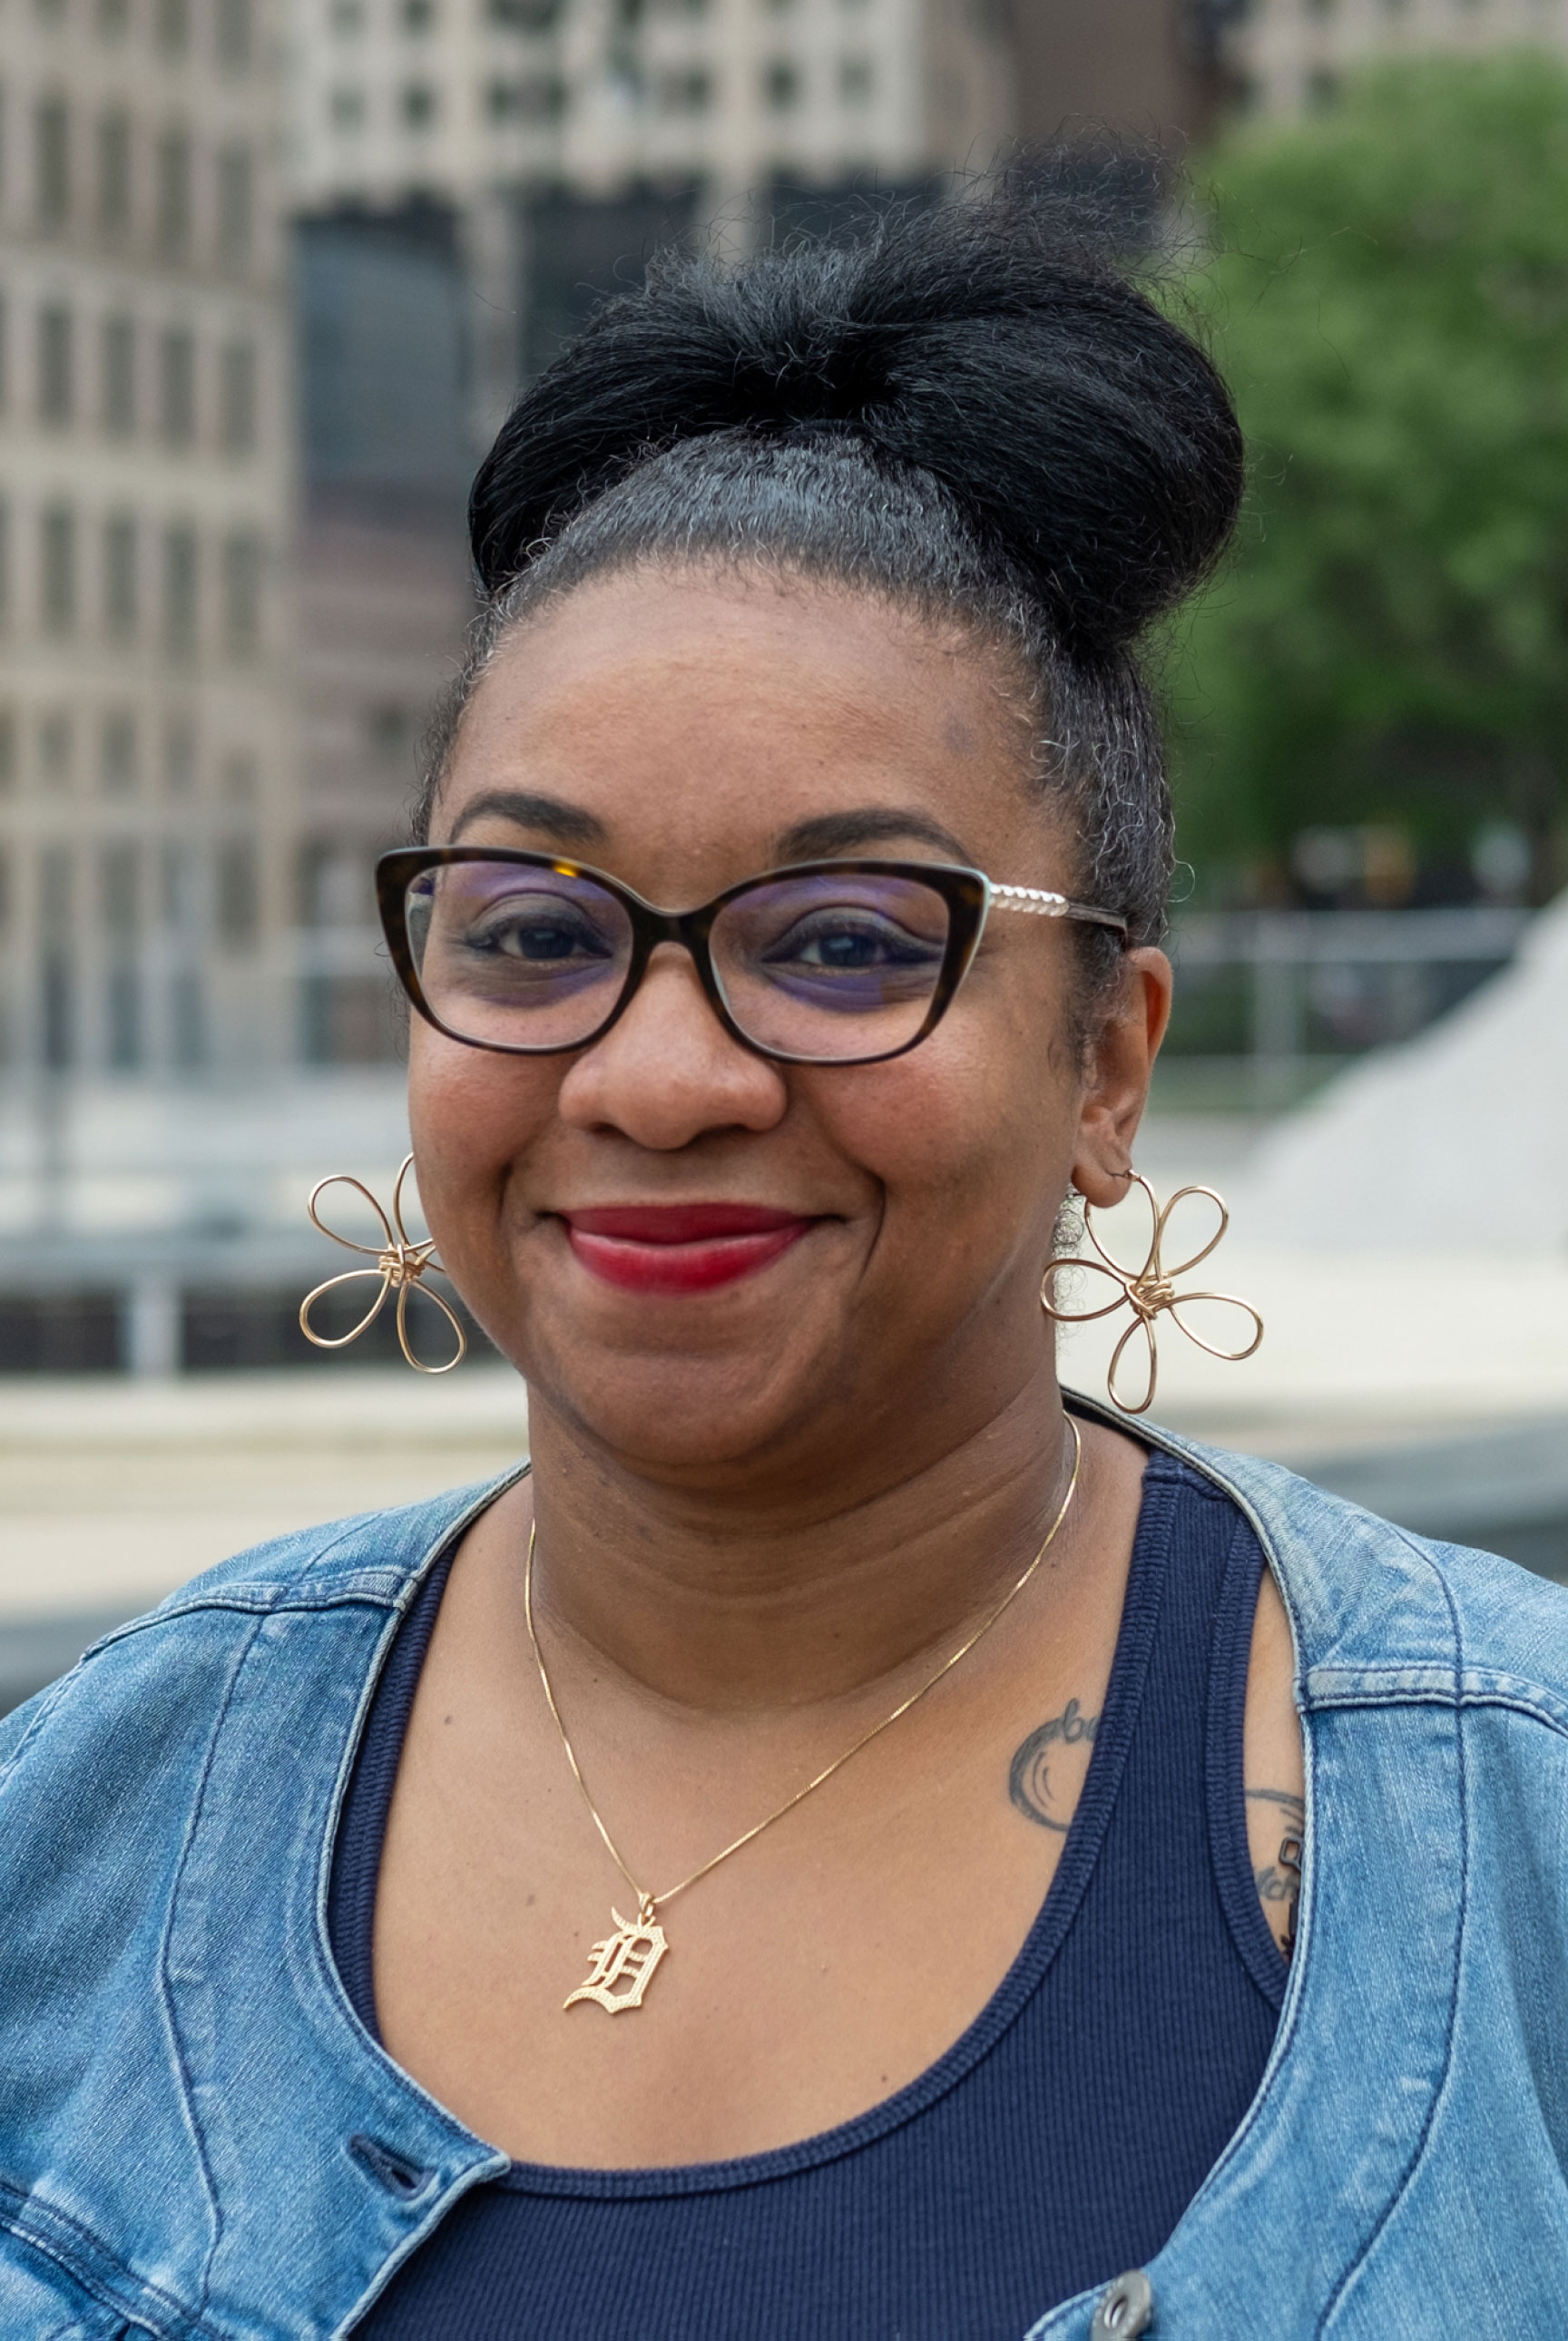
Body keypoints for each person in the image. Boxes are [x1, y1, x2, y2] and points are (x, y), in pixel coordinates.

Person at [3, 181, 1567, 2341]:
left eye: (844, 943)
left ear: (1107, 1064)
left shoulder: (1511, 1828)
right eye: (534, 933)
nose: (659, 1074)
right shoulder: (79, 1826)